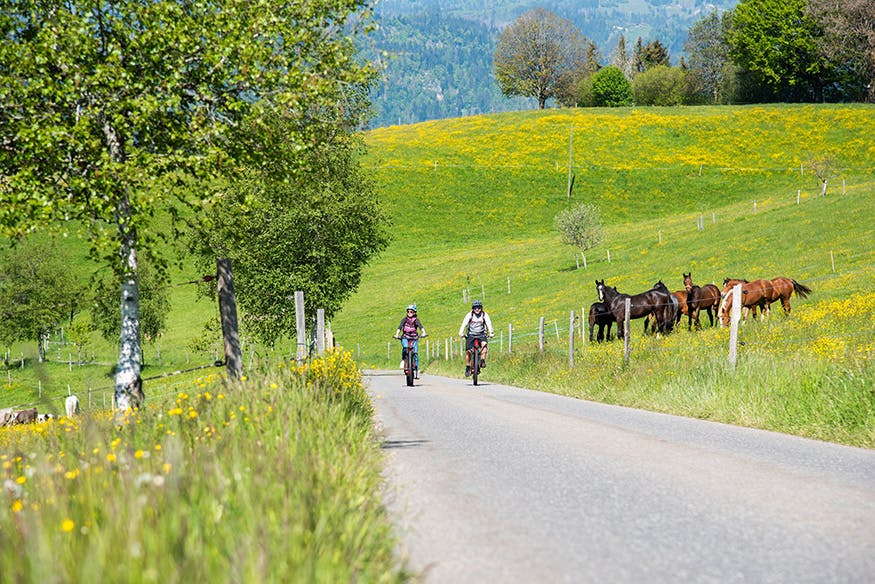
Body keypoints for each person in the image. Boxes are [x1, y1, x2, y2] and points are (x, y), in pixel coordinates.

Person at [458, 299, 494, 377]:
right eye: (475, 308)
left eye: (479, 307)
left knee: (484, 346)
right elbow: (464, 323)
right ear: (473, 309)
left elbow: (489, 323)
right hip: (471, 334)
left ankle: (482, 360)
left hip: (481, 334)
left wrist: (491, 332)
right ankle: (468, 366)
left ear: (481, 308)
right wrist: (461, 332)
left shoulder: (484, 315)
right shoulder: (469, 315)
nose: (477, 309)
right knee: (468, 351)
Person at [393, 304, 427, 376]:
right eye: (408, 311)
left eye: (411, 311)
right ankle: (403, 360)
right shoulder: (404, 319)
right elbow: (399, 327)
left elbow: (421, 327)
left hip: (414, 337)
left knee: (415, 353)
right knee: (405, 348)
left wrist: (424, 333)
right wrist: (397, 334)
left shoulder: (416, 320)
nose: (409, 313)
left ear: (414, 312)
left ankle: (416, 370)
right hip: (405, 337)